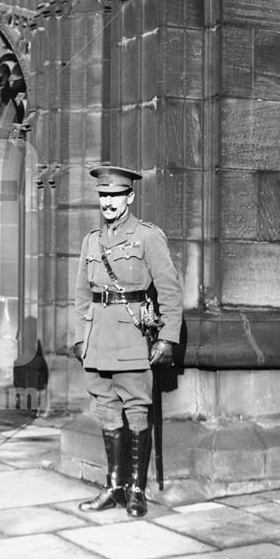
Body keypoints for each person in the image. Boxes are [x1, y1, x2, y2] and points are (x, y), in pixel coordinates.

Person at [72, 165, 182, 518]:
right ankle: (113, 486)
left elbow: (169, 290)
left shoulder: (148, 237)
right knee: (106, 412)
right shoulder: (91, 241)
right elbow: (80, 295)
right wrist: (79, 337)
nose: (108, 202)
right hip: (97, 340)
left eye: (115, 196)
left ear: (129, 197)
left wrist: (167, 338)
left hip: (132, 339)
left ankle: (136, 490)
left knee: (136, 411)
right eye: (103, 196)